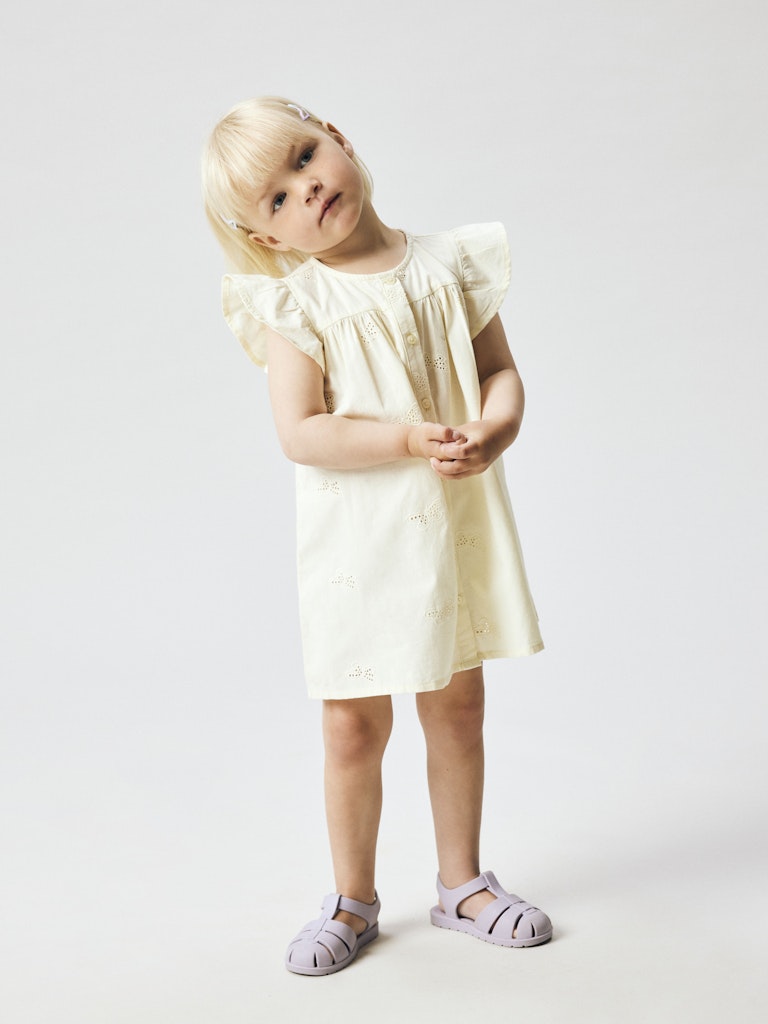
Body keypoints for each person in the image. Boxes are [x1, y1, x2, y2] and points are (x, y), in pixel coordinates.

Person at [201, 95, 552, 976]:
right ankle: (352, 898)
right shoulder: (300, 306)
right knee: (354, 725)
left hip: (449, 530)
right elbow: (302, 431)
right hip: (360, 546)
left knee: (456, 704)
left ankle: (461, 882)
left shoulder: (446, 266)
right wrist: (401, 437)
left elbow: (500, 372)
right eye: (275, 201)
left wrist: (495, 430)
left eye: (305, 157)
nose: (304, 189)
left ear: (341, 140)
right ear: (270, 241)